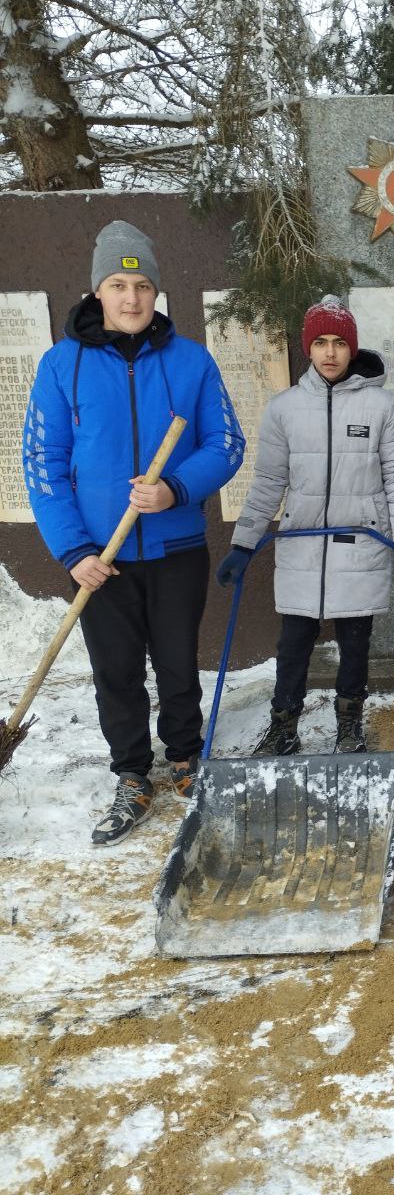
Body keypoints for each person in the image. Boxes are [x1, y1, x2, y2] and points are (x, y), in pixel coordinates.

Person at [23, 220, 245, 845]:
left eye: (142, 285)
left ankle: (184, 758)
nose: (131, 298)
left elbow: (226, 442)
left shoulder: (190, 360)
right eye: (118, 285)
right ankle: (130, 773)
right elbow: (43, 465)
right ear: (97, 291)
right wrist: (73, 550)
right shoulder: (61, 366)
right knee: (115, 668)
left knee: (177, 660)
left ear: (156, 293)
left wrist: (174, 488)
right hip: (101, 555)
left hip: (174, 548)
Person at [216, 295, 394, 755]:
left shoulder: (381, 407)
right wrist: (243, 544)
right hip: (301, 546)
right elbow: (269, 481)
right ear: (308, 348)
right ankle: (284, 726)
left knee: (355, 646)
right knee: (294, 646)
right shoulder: (284, 409)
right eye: (321, 342)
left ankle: (349, 725)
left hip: (359, 544)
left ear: (353, 349)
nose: (330, 353)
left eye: (340, 343)